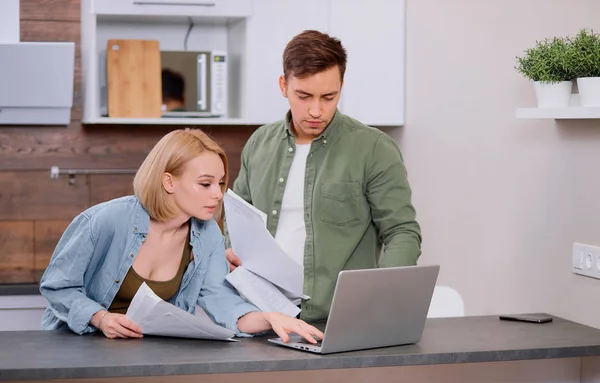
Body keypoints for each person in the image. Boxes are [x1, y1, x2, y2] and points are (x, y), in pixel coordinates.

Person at [39, 128, 323, 343]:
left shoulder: (208, 233)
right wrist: (100, 318)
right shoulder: (105, 220)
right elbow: (57, 287)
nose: (218, 193)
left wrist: (269, 317)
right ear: (169, 181)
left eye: (221, 182)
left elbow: (221, 301)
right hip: (78, 347)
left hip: (146, 352)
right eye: (205, 183)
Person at [225, 30, 422, 322]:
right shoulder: (259, 143)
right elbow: (237, 215)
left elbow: (402, 233)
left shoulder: (374, 148)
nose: (316, 110)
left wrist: (381, 298)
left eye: (328, 97)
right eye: (303, 96)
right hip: (262, 316)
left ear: (341, 87)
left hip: (340, 319)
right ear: (283, 85)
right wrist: (229, 249)